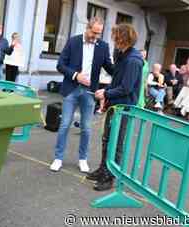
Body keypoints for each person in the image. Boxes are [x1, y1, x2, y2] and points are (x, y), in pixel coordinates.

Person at [50, 17, 114, 173]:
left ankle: (82, 159)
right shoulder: (73, 41)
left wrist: (124, 69)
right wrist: (75, 75)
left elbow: (110, 68)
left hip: (89, 92)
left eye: (99, 34)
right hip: (71, 89)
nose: (96, 36)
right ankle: (58, 158)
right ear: (88, 27)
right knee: (64, 125)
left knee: (86, 128)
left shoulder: (103, 46)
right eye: (94, 32)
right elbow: (60, 65)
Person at [87, 23, 143, 191]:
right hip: (116, 105)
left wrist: (105, 93)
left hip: (124, 108)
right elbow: (116, 81)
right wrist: (107, 94)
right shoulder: (123, 55)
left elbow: (126, 88)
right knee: (107, 140)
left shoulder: (133, 60)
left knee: (116, 142)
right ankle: (103, 169)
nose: (113, 40)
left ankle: (110, 177)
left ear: (123, 38)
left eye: (116, 37)